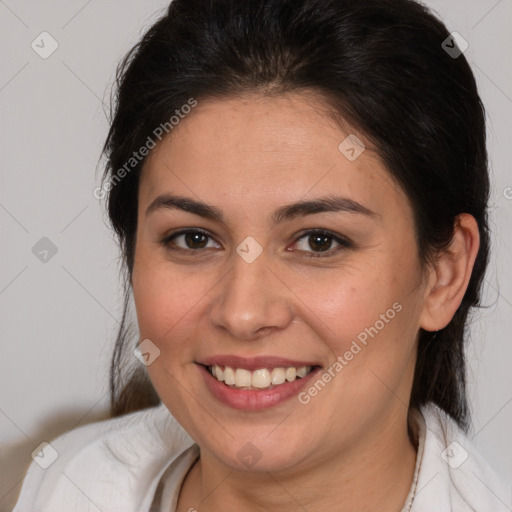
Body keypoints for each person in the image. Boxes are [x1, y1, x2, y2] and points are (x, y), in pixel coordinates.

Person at [13, 0, 512, 510]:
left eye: (319, 241)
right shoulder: (68, 484)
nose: (243, 313)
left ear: (444, 275)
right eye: (193, 238)